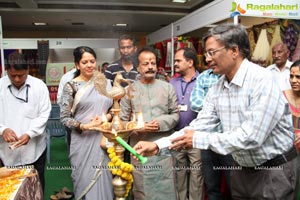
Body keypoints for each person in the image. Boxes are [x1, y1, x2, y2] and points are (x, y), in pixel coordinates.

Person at [133, 23, 300, 200]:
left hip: (274, 171)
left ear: (234, 51)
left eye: (212, 52)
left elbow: (251, 136)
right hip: (242, 170)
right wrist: (159, 144)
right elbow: (200, 124)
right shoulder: (218, 86)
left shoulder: (263, 80)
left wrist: (197, 139)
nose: (207, 59)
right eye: (206, 53)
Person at [119, 46, 179, 200]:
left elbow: (175, 115)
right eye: (145, 64)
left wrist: (160, 122)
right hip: (139, 147)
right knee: (142, 188)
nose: (150, 66)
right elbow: (122, 122)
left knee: (166, 185)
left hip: (163, 147)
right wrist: (137, 128)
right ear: (138, 67)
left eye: (153, 63)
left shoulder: (167, 88)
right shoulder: (129, 91)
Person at [60, 46, 113, 199]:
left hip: (104, 139)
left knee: (106, 180)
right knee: (85, 182)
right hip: (83, 141)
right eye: (85, 62)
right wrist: (84, 126)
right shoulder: (71, 86)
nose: (89, 65)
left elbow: (115, 108)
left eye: (92, 61)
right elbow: (64, 118)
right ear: (77, 65)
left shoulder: (104, 82)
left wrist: (106, 118)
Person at [0, 52, 51, 192]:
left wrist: (30, 133)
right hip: (6, 151)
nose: (16, 79)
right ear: (7, 71)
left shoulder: (39, 86)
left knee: (35, 186)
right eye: (12, 75)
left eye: (21, 75)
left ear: (27, 69)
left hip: (34, 149)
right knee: (9, 189)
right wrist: (3, 129)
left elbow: (44, 113)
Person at [190, 67, 234, 200]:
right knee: (211, 185)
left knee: (235, 185)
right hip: (207, 141)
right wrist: (220, 106)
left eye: (213, 52)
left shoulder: (234, 77)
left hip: (229, 141)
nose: (210, 57)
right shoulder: (203, 77)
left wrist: (216, 106)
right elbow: (195, 103)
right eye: (208, 53)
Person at [169, 47, 204, 200]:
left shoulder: (203, 80)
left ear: (190, 62)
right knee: (179, 175)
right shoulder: (172, 82)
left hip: (196, 137)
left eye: (178, 60)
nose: (175, 63)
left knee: (197, 176)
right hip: (176, 136)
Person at [283, 59, 300, 153]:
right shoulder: (282, 97)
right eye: (291, 76)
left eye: (298, 77)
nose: (293, 81)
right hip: (286, 155)